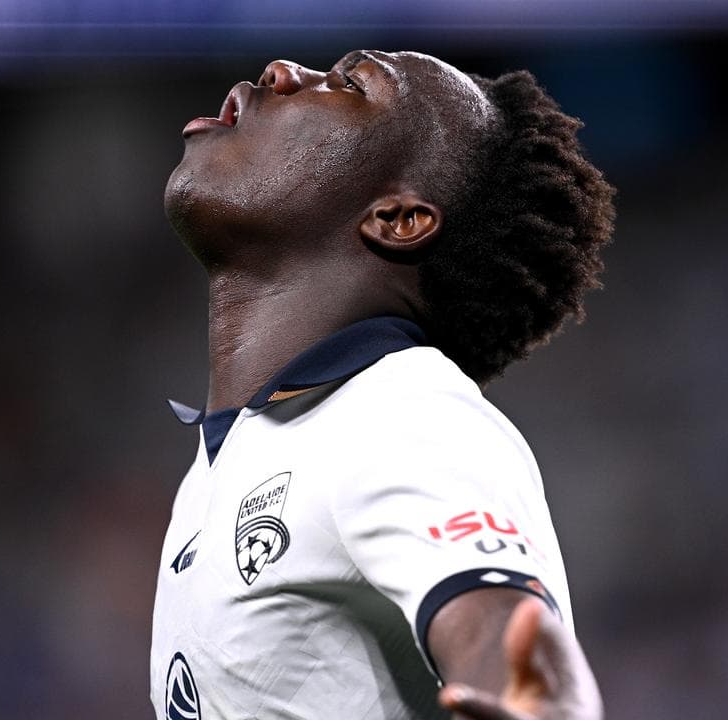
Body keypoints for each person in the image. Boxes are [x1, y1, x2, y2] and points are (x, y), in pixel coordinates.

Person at [151, 49, 615, 720]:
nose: (282, 71)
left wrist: (545, 706)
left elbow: (511, 639)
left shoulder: (402, 414)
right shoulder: (233, 456)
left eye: (349, 84)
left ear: (397, 218)